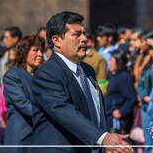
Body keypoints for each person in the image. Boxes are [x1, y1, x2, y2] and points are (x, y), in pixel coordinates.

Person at [31, 11, 132, 153]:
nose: (84, 39)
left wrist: (104, 138)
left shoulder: (88, 70)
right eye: (76, 34)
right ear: (57, 40)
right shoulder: (47, 73)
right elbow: (63, 111)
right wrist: (102, 137)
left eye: (84, 33)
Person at [3, 35, 44, 152]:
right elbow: (23, 104)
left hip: (40, 135)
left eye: (42, 50)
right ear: (24, 52)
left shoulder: (43, 75)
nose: (40, 54)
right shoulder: (12, 76)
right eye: (35, 50)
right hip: (21, 137)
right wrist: (49, 115)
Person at [105, 50, 136, 134]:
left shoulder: (124, 77)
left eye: (111, 60)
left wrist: (122, 111)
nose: (109, 62)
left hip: (117, 119)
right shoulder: (112, 75)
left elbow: (131, 98)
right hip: (109, 116)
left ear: (118, 62)